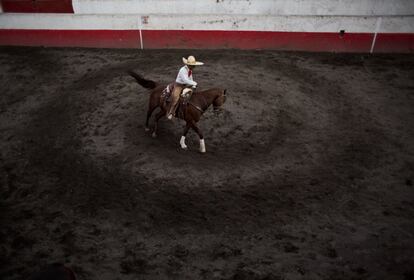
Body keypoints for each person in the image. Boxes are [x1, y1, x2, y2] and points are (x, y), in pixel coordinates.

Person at [167, 55, 204, 120]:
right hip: (179, 85)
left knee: (192, 92)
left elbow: (190, 79)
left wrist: (193, 84)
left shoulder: (190, 70)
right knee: (175, 97)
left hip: (186, 84)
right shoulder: (183, 70)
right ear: (189, 65)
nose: (194, 67)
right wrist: (194, 83)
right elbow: (185, 80)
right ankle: (171, 112)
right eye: (193, 65)